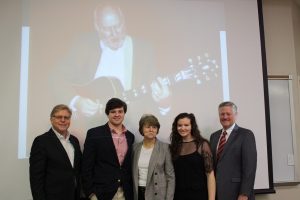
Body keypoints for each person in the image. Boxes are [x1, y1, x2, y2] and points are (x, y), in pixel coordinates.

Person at [50, 3, 170, 121]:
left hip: (129, 129)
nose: (114, 33)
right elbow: (57, 76)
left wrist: (164, 102)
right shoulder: (84, 45)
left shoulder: (144, 51)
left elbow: (156, 105)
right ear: (97, 27)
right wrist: (77, 101)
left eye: (118, 26)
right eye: (107, 29)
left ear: (124, 21)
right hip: (90, 128)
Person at [81, 98, 135, 200]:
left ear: (124, 113)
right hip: (100, 193)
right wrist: (91, 193)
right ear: (107, 114)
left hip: (125, 192)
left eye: (120, 111)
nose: (117, 114)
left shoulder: (130, 136)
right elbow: (86, 166)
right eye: (113, 111)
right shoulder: (94, 134)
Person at [29, 104, 82, 200]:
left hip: (74, 195)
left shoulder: (74, 140)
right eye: (58, 117)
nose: (63, 120)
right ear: (51, 119)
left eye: (66, 117)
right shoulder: (41, 141)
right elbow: (36, 178)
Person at [209, 101, 257, 200]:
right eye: (222, 114)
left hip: (237, 193)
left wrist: (244, 193)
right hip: (217, 192)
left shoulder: (246, 135)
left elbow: (250, 168)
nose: (225, 117)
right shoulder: (214, 136)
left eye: (228, 114)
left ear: (235, 115)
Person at [170, 113, 216, 200]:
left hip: (199, 195)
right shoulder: (174, 146)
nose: (183, 128)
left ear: (192, 126)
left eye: (186, 125)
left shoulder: (202, 145)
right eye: (179, 125)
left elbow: (210, 175)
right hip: (178, 195)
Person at [132, 114, 175, 200]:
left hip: (157, 194)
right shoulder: (134, 148)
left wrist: (169, 198)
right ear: (141, 129)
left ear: (157, 130)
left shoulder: (165, 148)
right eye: (148, 127)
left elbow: (170, 177)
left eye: (154, 127)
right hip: (137, 192)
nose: (151, 130)